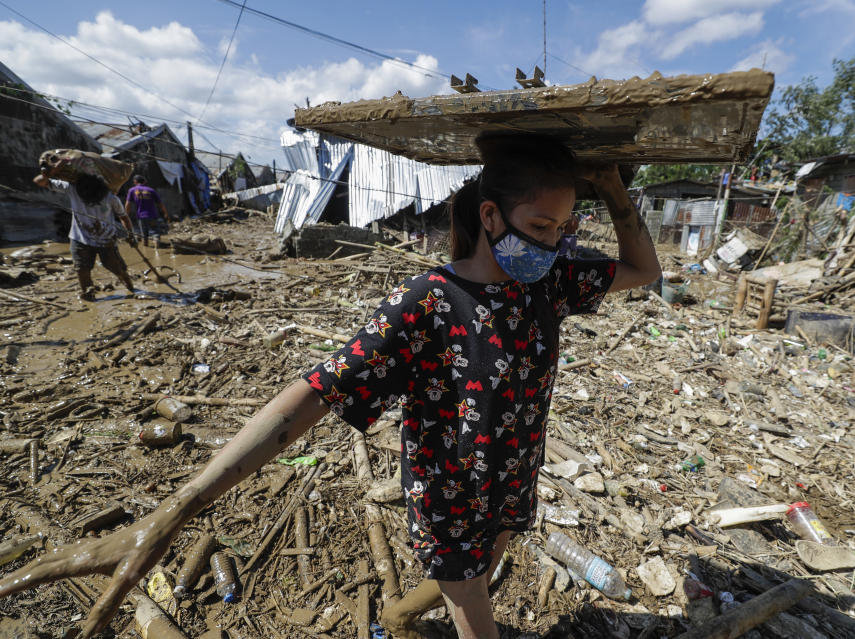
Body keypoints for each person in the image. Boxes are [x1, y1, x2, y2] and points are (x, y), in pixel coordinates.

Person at [2, 135, 660, 639]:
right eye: (540, 227)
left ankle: (399, 616)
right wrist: (182, 503)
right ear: (491, 216)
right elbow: (312, 393)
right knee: (471, 601)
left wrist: (613, 191)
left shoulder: (552, 281)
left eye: (563, 229)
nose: (553, 242)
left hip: (514, 479)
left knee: (478, 573)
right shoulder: (428, 301)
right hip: (450, 495)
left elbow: (643, 269)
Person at [33, 168, 136, 301]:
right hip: (80, 239)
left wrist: (130, 234)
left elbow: (124, 217)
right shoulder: (73, 189)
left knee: (116, 268)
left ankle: (129, 285)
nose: (88, 194)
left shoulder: (111, 198)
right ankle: (88, 296)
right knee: (82, 269)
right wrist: (46, 174)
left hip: (106, 240)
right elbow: (39, 181)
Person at [125, 174, 171, 243]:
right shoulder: (151, 190)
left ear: (135, 181)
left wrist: (126, 215)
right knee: (155, 233)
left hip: (141, 216)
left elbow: (128, 204)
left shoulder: (132, 190)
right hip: (152, 215)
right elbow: (160, 204)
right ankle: (156, 242)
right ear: (144, 182)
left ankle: (145, 245)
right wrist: (166, 213)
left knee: (144, 236)